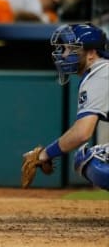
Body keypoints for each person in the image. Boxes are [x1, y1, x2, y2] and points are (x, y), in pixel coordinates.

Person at [22, 23, 109, 191]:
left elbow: (82, 133)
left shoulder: (100, 75)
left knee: (91, 160)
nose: (64, 55)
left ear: (91, 54)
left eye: (71, 49)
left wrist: (44, 154)